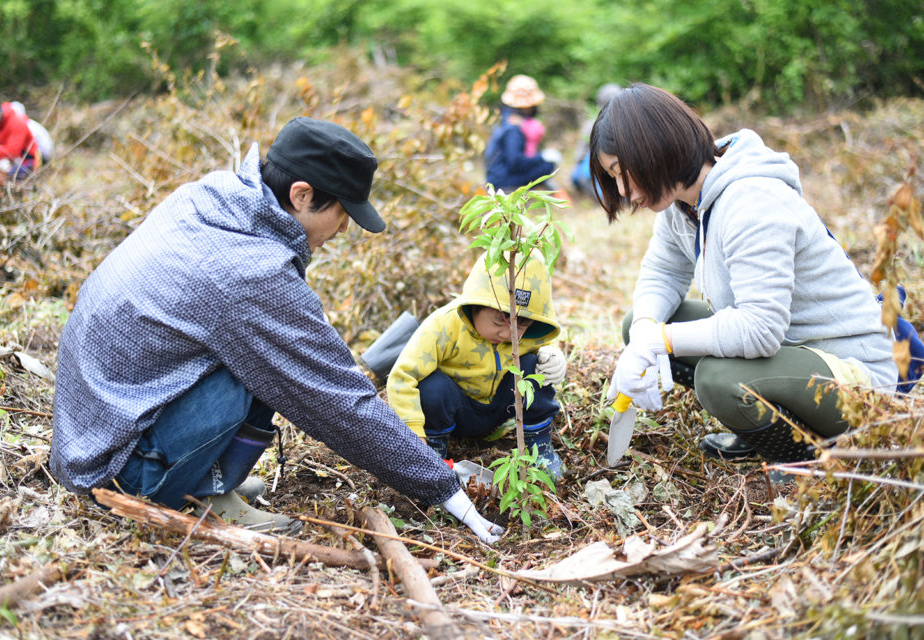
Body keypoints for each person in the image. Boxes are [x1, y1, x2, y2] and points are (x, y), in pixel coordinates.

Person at [49, 117, 504, 544]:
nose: (344, 228)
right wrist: (442, 487)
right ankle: (198, 491)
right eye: (343, 212)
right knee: (275, 363)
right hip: (120, 475)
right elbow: (338, 400)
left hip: (92, 436)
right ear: (303, 195)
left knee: (272, 349)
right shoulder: (250, 272)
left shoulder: (212, 197)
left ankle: (207, 478)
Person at [589, 83, 897, 465]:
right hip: (791, 348)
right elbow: (663, 273)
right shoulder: (682, 205)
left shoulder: (752, 201)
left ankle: (799, 458)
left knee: (718, 379)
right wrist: (645, 333)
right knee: (639, 321)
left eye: (624, 172)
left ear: (655, 149)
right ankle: (770, 422)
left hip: (853, 371)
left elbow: (759, 329)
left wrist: (661, 340)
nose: (624, 191)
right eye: (613, 177)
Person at [386, 253, 568, 479]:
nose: (506, 334)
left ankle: (538, 447)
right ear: (475, 306)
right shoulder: (444, 325)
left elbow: (545, 344)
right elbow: (403, 376)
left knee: (533, 367)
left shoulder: (525, 334)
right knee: (432, 386)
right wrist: (415, 435)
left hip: (502, 409)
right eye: (497, 323)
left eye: (520, 327)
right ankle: (434, 449)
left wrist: (553, 355)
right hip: (456, 412)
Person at [484, 74, 561, 192]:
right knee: (548, 166)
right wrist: (542, 157)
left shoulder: (504, 118)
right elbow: (515, 162)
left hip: (496, 177)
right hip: (502, 182)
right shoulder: (513, 128)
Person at [571, 83, 621, 198]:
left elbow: (578, 154)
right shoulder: (592, 125)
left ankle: (604, 197)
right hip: (594, 162)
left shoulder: (592, 124)